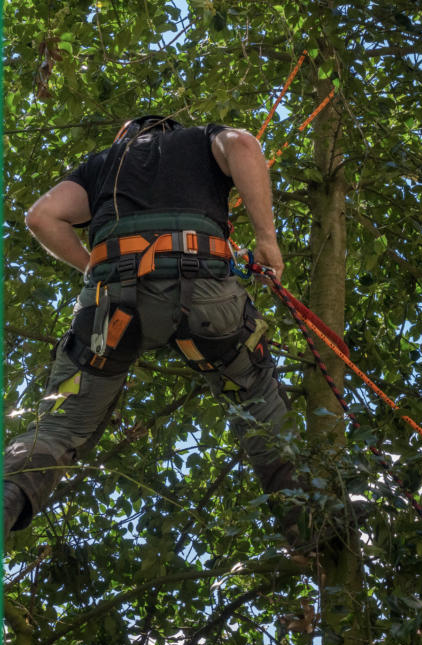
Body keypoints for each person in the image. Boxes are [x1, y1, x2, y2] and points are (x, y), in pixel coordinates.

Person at [3, 115, 306, 543]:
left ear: (125, 136)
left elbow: (41, 217)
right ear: (168, 130)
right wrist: (267, 240)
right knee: (256, 395)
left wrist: (94, 267)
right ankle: (306, 526)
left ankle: (7, 499)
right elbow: (242, 145)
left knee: (58, 427)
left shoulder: (103, 164)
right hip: (204, 293)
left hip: (110, 306)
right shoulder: (200, 139)